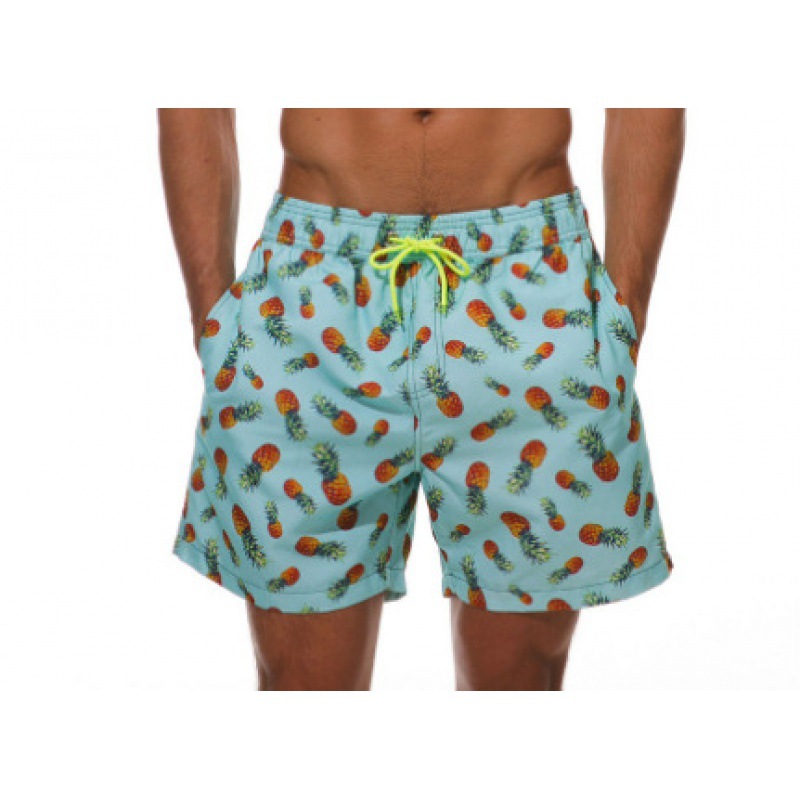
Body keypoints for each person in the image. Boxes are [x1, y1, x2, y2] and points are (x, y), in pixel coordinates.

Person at [159, 108, 685, 691]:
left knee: (518, 685)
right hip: (311, 301)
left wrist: (625, 313)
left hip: (531, 289)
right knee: (302, 685)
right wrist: (212, 318)